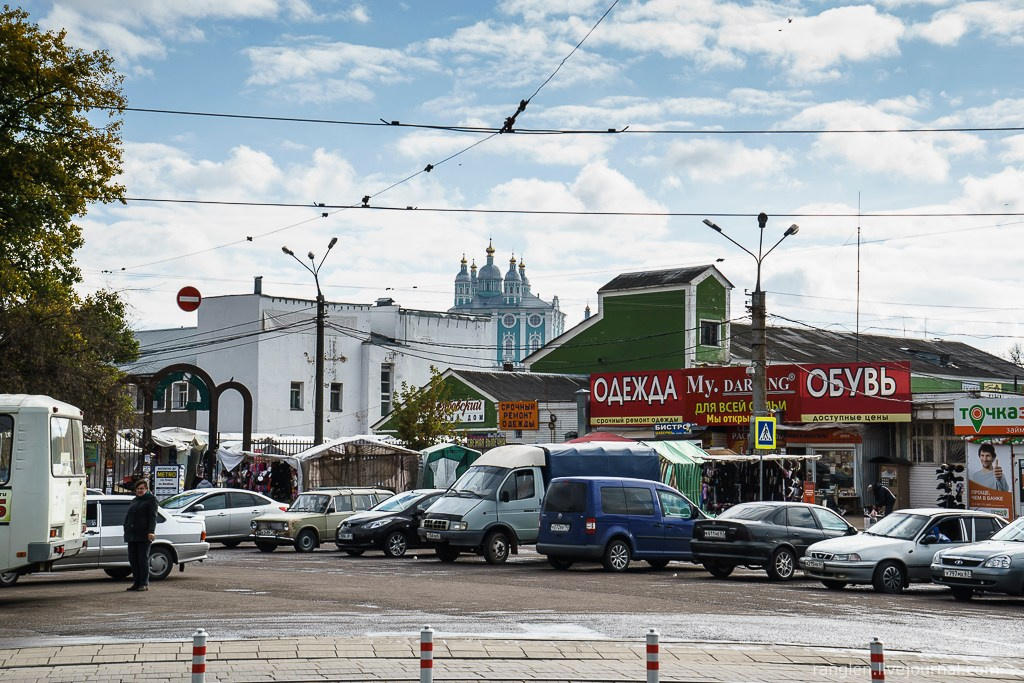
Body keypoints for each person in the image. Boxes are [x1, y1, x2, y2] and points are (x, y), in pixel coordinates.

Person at [123, 479, 158, 592]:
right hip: (132, 534)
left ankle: (144, 583)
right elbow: (129, 516)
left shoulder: (151, 500)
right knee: (133, 559)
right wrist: (126, 527)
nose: (139, 490)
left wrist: (151, 531)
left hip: (143, 535)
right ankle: (136, 582)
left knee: (142, 560)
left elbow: (153, 517)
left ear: (146, 489)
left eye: (142, 489)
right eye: (138, 489)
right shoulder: (135, 500)